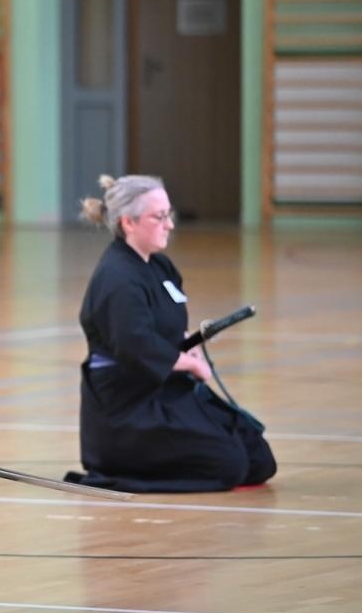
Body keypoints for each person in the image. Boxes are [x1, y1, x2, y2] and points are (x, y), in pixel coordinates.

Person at [66, 174, 277, 494]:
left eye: (169, 214)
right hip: (127, 408)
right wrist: (189, 364)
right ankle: (115, 474)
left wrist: (186, 344)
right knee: (228, 465)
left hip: (164, 391)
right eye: (159, 216)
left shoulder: (160, 267)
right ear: (129, 223)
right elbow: (134, 345)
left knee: (259, 459)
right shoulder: (118, 279)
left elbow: (167, 326)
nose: (170, 225)